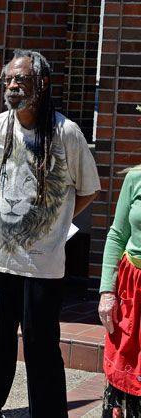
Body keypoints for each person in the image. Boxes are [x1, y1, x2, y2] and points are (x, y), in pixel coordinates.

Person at [0, 49, 101, 418]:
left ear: (41, 84)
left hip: (43, 265)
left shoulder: (66, 132)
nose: (12, 85)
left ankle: (49, 413)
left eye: (21, 79)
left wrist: (54, 223)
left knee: (42, 345)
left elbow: (89, 188)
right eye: (8, 79)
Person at [98, 165, 141, 417]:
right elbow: (117, 235)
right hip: (132, 291)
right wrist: (107, 292)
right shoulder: (135, 178)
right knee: (125, 374)